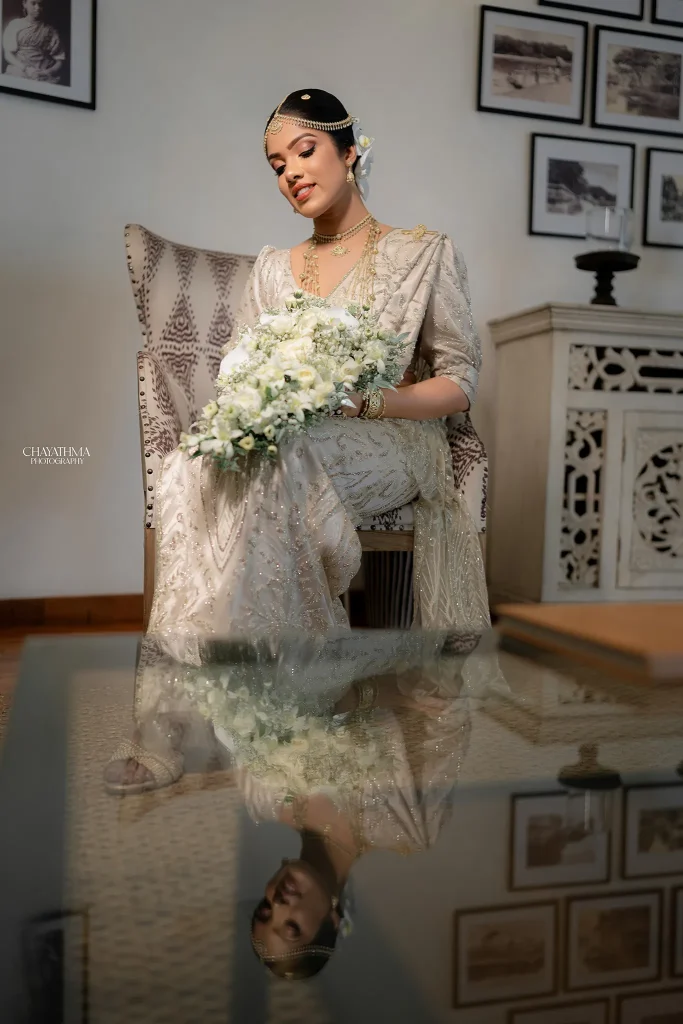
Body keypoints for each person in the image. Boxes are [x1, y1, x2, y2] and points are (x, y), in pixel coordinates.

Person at [105, 88, 490, 793]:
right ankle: (176, 718)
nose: (290, 173)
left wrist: (371, 400)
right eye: (277, 165)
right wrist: (249, 411)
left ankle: (279, 705)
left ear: (350, 150)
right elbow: (246, 369)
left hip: (392, 437)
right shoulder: (272, 269)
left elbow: (459, 379)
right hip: (295, 437)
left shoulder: (421, 253)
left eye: (304, 151)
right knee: (192, 464)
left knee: (278, 458)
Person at [2, 0, 65, 84]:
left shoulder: (51, 31)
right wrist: (25, 68)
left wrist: (46, 73)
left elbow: (60, 60)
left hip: (43, 73)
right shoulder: (15, 25)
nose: (37, 8)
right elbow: (8, 54)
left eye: (40, 4)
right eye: (33, 3)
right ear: (24, 4)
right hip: (19, 69)